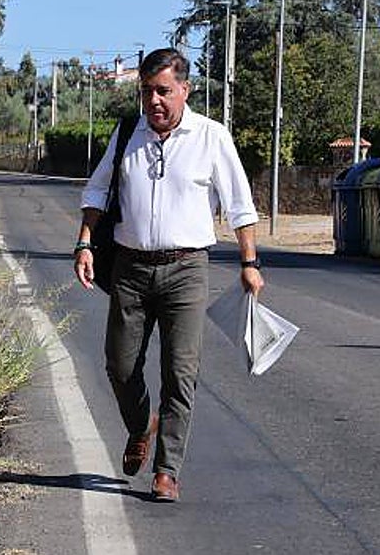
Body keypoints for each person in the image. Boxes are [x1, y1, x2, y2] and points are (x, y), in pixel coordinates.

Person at [73, 48, 264, 502]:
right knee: (120, 367)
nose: (154, 101)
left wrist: (249, 263)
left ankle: (167, 470)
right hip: (129, 268)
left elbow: (239, 204)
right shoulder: (126, 134)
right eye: (146, 92)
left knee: (181, 372)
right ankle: (141, 426)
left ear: (185, 89)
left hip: (186, 268)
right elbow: (97, 189)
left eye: (163, 91)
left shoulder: (211, 137)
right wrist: (84, 241)